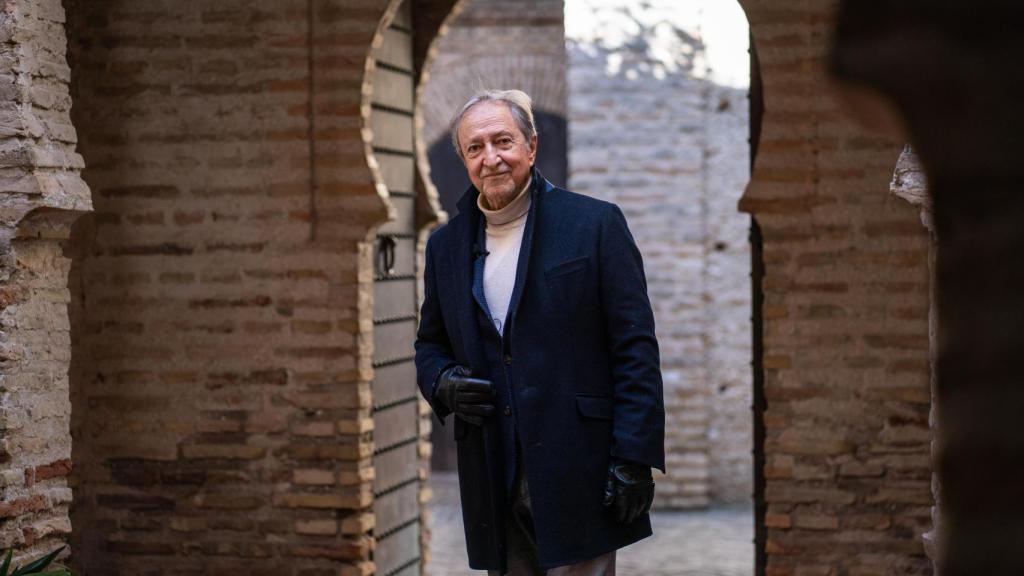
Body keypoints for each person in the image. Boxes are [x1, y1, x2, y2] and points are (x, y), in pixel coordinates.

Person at [415, 89, 665, 576]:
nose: (491, 159)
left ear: (531, 146)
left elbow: (634, 346)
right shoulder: (444, 246)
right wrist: (442, 380)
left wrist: (634, 455)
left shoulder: (594, 224)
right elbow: (430, 343)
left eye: (502, 141)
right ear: (465, 159)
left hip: (580, 465)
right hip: (491, 468)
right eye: (475, 148)